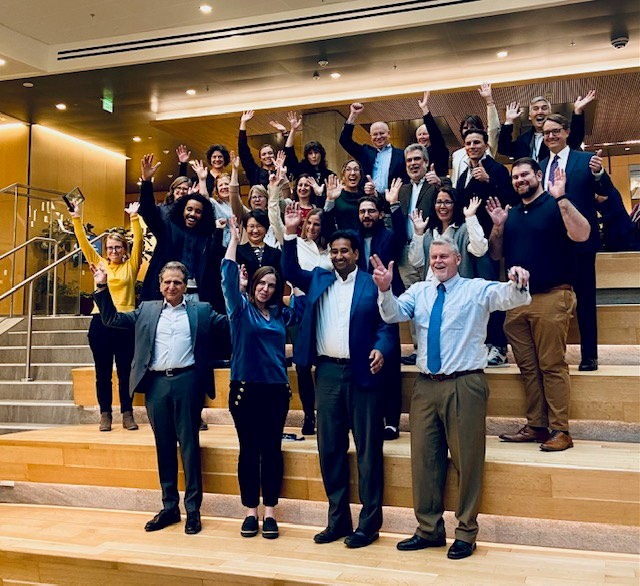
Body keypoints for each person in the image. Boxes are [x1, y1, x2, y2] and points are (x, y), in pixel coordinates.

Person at [372, 237, 531, 559]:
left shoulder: (476, 289)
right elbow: (392, 315)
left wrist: (518, 282)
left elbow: (509, 297)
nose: (438, 262)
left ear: (458, 259)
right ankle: (428, 530)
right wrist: (386, 290)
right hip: (425, 387)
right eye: (433, 257)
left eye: (444, 256)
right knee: (424, 461)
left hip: (464, 384)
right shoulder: (419, 292)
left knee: (467, 462)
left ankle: (466, 532)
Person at [91, 260, 229, 535]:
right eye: (167, 282)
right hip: (156, 384)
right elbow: (112, 320)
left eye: (177, 282)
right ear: (160, 284)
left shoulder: (201, 310)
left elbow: (230, 324)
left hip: (188, 381)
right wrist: (102, 287)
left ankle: (193, 511)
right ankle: (169, 507)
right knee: (163, 447)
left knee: (189, 447)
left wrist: (238, 292)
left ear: (185, 285)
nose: (171, 286)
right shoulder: (147, 309)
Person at [281, 219, 395, 549]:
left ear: (357, 253)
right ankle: (338, 520)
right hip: (327, 374)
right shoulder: (319, 278)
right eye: (334, 251)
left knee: (369, 452)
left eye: (345, 250)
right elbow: (289, 269)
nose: (339, 256)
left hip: (363, 374)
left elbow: (388, 325)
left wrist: (382, 349)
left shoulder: (373, 283)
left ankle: (369, 525)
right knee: (329, 449)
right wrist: (290, 233)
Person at [488, 158, 591, 451]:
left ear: (537, 175)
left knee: (551, 365)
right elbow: (496, 255)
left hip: (552, 296)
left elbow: (582, 235)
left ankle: (561, 430)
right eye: (515, 177)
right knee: (527, 368)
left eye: (525, 175)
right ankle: (536, 425)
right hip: (517, 301)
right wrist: (497, 228)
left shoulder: (556, 203)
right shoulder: (513, 214)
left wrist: (562, 197)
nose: (520, 180)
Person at [222, 216, 303, 539]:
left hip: (275, 391)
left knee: (271, 450)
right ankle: (250, 512)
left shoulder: (282, 314)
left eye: (272, 285)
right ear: (252, 284)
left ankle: (270, 512)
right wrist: (233, 237)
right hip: (245, 389)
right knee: (248, 451)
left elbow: (301, 301)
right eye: (262, 284)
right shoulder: (240, 310)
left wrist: (293, 282)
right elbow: (227, 277)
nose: (267, 289)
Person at [539, 114, 615, 371]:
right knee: (551, 301)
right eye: (546, 132)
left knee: (585, 299)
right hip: (551, 245)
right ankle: (552, 355)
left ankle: (589, 354)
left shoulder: (585, 160)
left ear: (567, 132)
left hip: (581, 242)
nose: (550, 136)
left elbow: (605, 192)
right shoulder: (539, 167)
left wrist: (599, 173)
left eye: (555, 131)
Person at [70, 201, 143, 432]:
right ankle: (105, 414)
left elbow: (139, 241)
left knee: (125, 372)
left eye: (117, 247)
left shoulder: (131, 266)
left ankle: (127, 413)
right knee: (103, 373)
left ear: (124, 249)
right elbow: (83, 242)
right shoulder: (99, 263)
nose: (113, 251)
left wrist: (133, 218)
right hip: (100, 322)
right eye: (109, 247)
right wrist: (76, 218)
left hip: (125, 323)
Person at [456, 128, 518, 367]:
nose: (472, 146)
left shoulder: (497, 170)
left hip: (492, 240)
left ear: (485, 145)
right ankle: (481, 343)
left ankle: (499, 347)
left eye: (476, 142)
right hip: (469, 241)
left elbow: (510, 197)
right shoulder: (464, 173)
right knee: (473, 296)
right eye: (468, 143)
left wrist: (489, 182)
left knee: (491, 293)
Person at [397, 143, 450, 365]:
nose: (413, 164)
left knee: (436, 300)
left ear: (426, 163)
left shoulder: (436, 185)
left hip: (432, 249)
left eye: (417, 159)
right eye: (409, 161)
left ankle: (440, 347)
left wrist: (441, 183)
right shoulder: (402, 190)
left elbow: (450, 197)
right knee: (413, 302)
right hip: (406, 252)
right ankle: (419, 349)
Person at [408, 188, 487, 279]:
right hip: (431, 288)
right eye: (439, 202)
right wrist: (418, 234)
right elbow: (416, 262)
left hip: (457, 290)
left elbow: (480, 250)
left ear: (456, 205)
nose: (442, 206)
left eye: (447, 202)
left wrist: (470, 217)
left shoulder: (464, 230)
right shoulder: (430, 233)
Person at [498, 91, 595, 161]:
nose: (540, 112)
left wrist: (578, 112)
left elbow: (575, 141)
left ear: (550, 113)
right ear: (529, 116)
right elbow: (503, 148)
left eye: (544, 108)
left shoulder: (557, 136)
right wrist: (509, 121)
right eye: (535, 109)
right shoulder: (523, 140)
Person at [339, 102, 408, 195]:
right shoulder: (365, 152)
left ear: (388, 134)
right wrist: (353, 115)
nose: (379, 137)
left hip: (392, 198)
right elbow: (345, 141)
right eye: (375, 134)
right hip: (368, 199)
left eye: (382, 133)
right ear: (371, 137)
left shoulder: (401, 154)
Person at [451, 83, 501, 184]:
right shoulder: (456, 155)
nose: (468, 130)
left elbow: (494, 129)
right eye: (465, 128)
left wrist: (489, 101)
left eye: (472, 127)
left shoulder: (488, 149)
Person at [273, 111, 335, 182]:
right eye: (310, 153)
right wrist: (293, 130)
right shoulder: (301, 170)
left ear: (321, 154)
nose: (314, 156)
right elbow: (289, 153)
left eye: (316, 152)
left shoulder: (329, 175)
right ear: (306, 156)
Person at [320, 161, 365, 233]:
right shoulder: (336, 195)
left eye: (356, 169)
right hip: (342, 240)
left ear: (361, 175)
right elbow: (326, 227)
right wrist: (330, 200)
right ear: (343, 175)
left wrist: (374, 194)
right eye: (348, 169)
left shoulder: (366, 195)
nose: (352, 173)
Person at [414, 90, 449, 177]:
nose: (422, 137)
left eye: (425, 134)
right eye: (419, 134)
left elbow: (436, 136)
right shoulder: (415, 153)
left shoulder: (438, 149)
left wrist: (425, 110)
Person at [238, 109, 276, 187]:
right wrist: (243, 123)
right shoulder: (254, 171)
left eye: (270, 153)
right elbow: (243, 151)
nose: (267, 156)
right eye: (264, 154)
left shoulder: (280, 172)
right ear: (260, 158)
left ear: (274, 155)